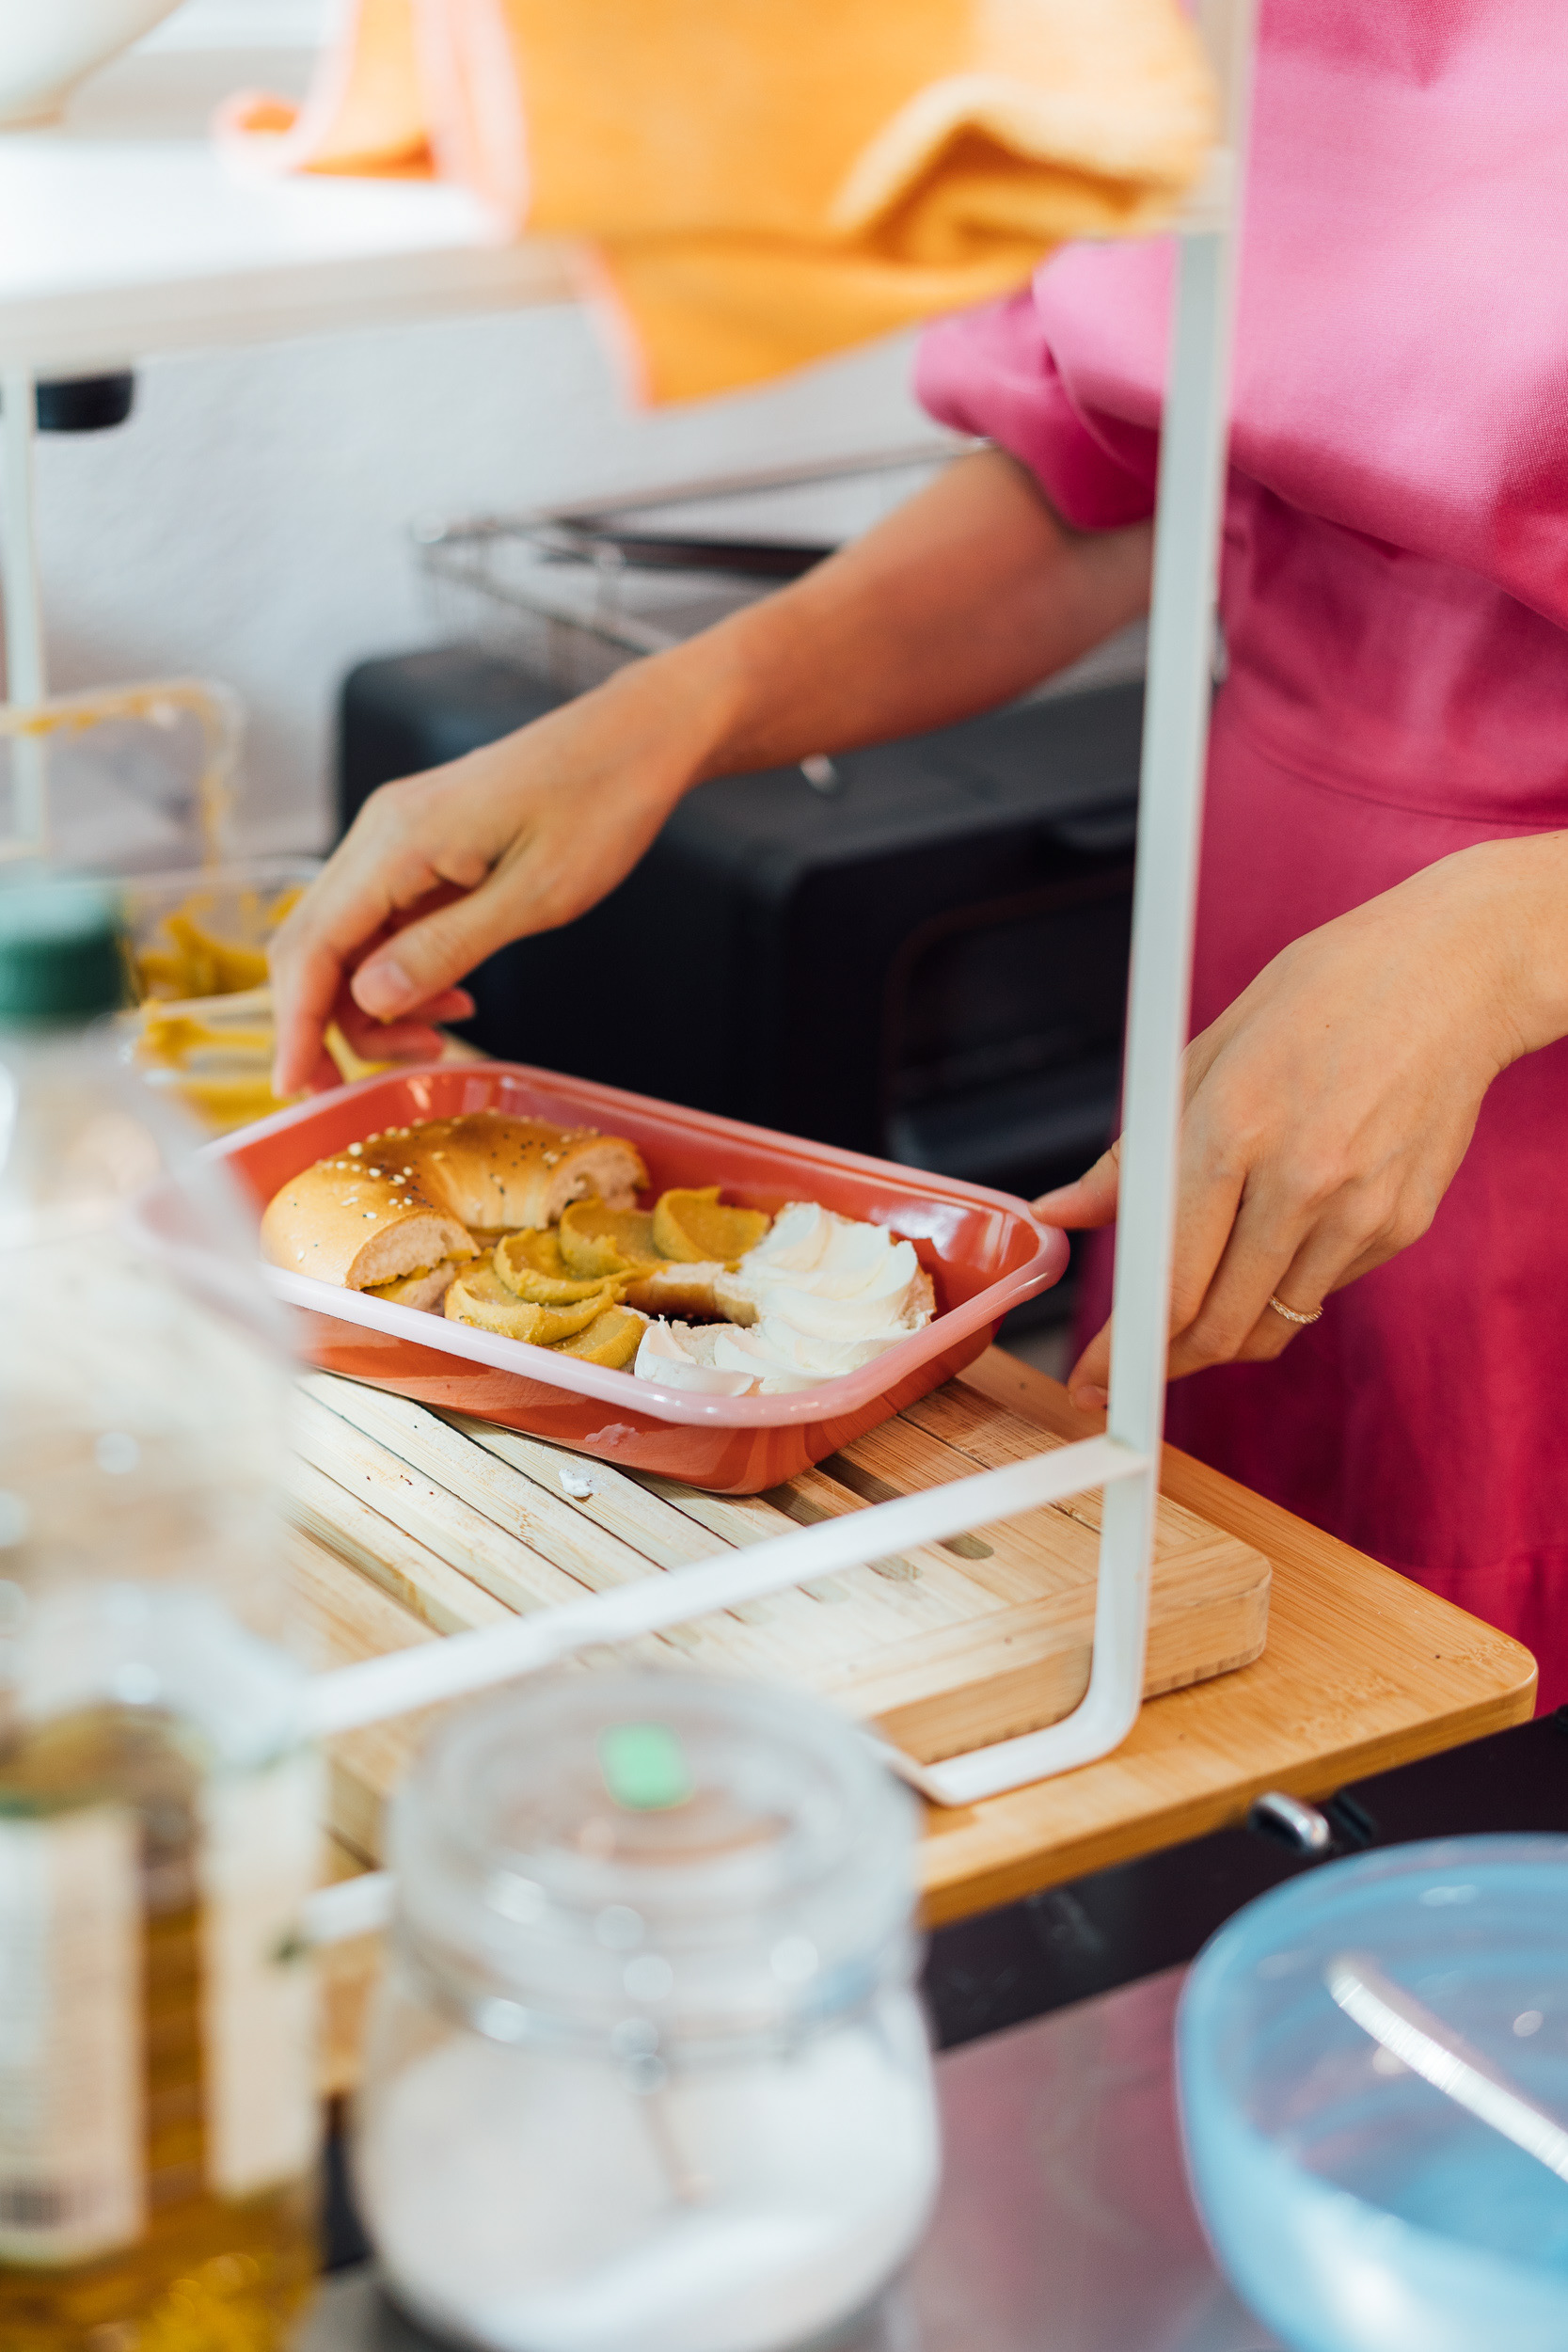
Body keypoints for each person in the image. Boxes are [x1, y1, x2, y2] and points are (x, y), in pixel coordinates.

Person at [271, 1, 1568, 1703]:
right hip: (1261, 956)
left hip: (1503, 970)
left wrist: (1496, 938)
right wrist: (662, 716)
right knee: (1258, 1668)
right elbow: (1110, 480)